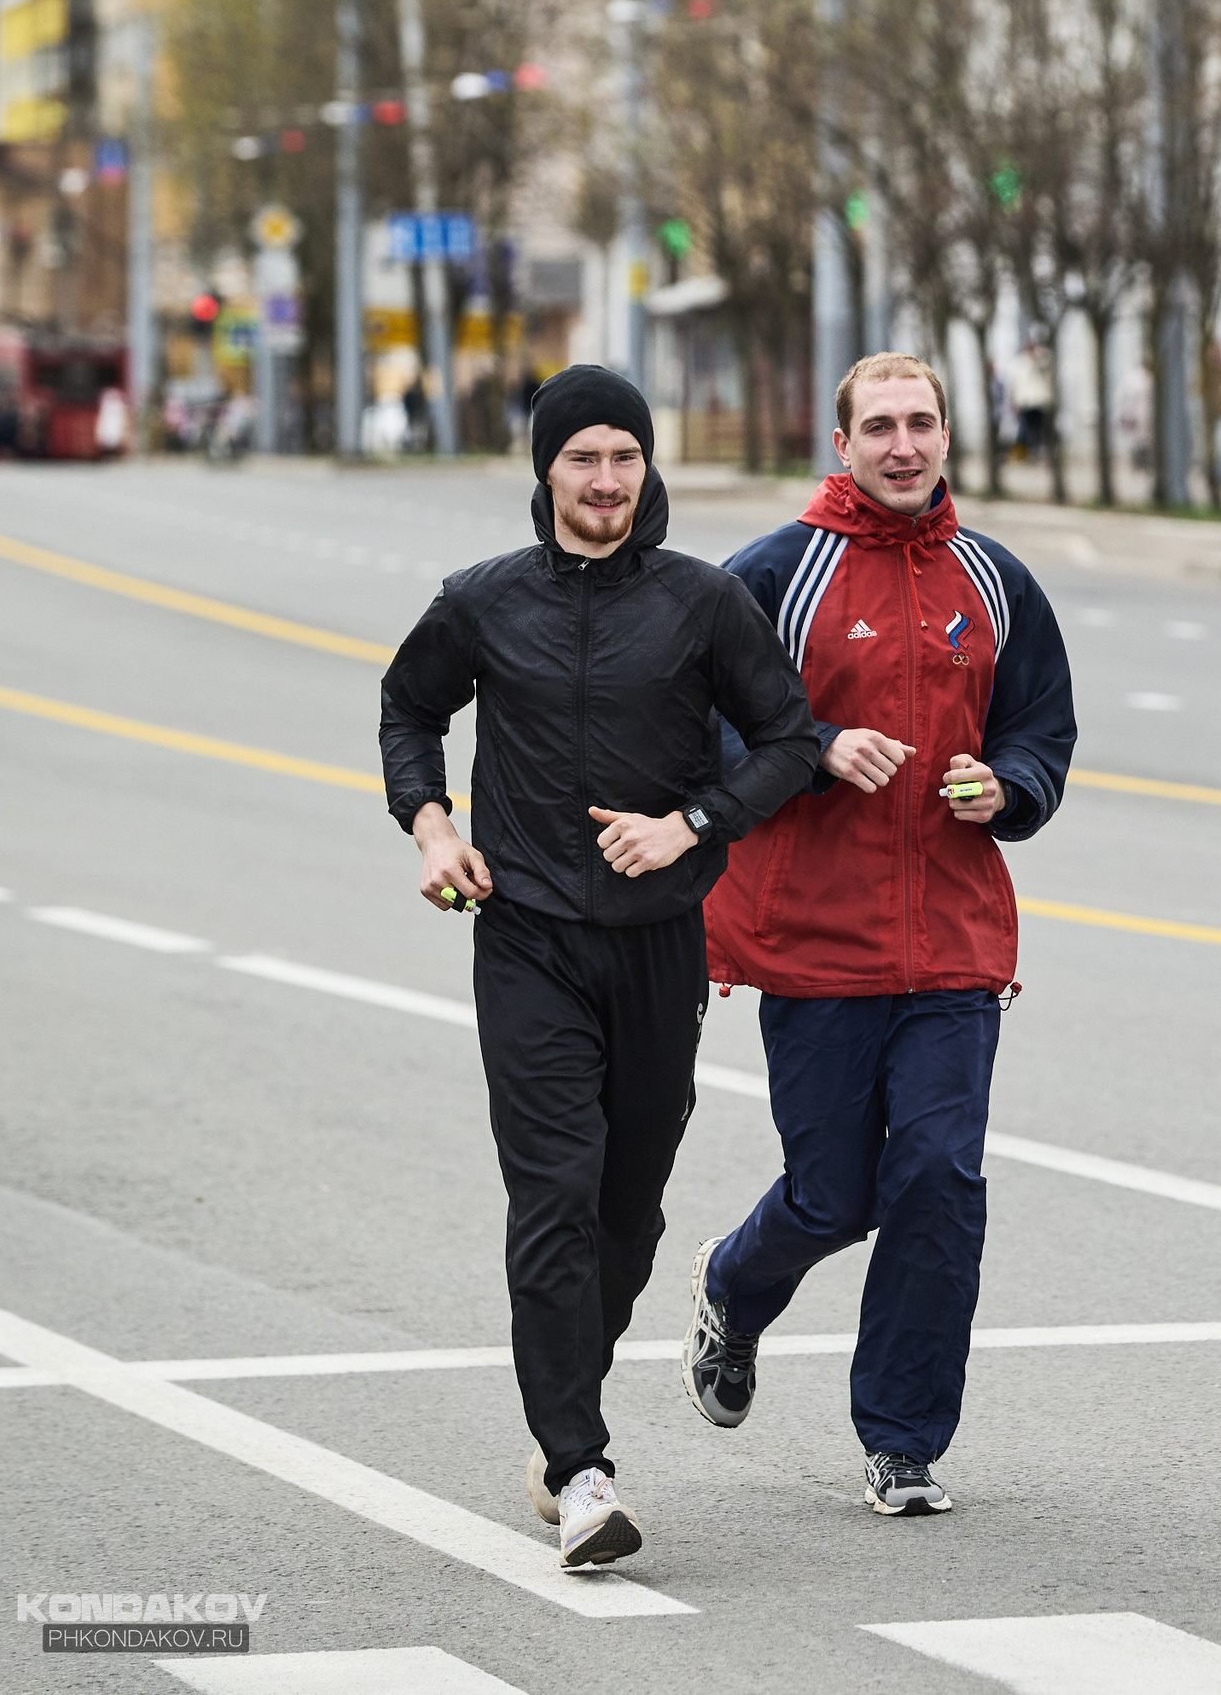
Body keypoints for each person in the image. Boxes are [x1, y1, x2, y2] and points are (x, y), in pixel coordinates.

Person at [378, 365, 819, 1568]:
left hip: (657, 944)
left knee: (627, 1210)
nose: (607, 480)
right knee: (555, 1194)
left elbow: (790, 738)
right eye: (584, 458)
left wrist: (692, 823)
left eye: (625, 457)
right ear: (547, 469)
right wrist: (433, 825)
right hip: (523, 934)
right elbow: (408, 710)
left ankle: (565, 1386)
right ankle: (579, 1466)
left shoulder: (700, 603)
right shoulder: (481, 602)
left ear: (647, 468)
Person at [683, 353, 1076, 1518]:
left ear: (948, 434)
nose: (904, 446)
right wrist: (812, 748)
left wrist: (1005, 787)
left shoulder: (994, 580)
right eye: (881, 428)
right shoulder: (772, 575)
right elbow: (696, 730)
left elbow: (1040, 727)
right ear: (841, 441)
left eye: (922, 423)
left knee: (940, 1179)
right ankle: (732, 1290)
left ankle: (902, 1438)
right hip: (817, 939)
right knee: (832, 1191)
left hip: (953, 940)